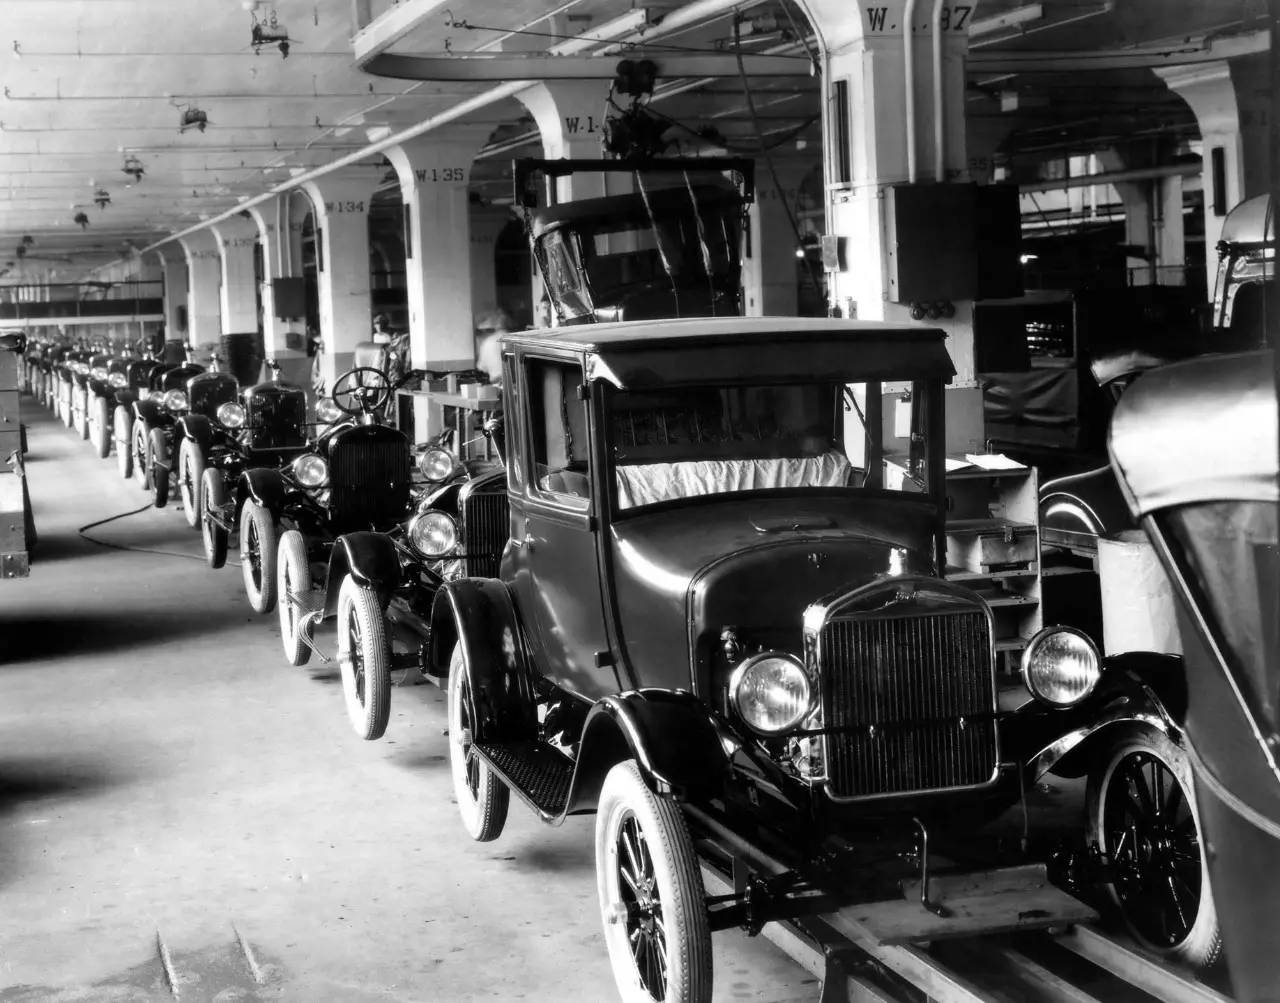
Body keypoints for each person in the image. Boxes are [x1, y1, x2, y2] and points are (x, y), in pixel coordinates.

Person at [474, 308, 512, 386]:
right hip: (512, 382)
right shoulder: (512, 339)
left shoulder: (486, 343)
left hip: (496, 384)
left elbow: (482, 367)